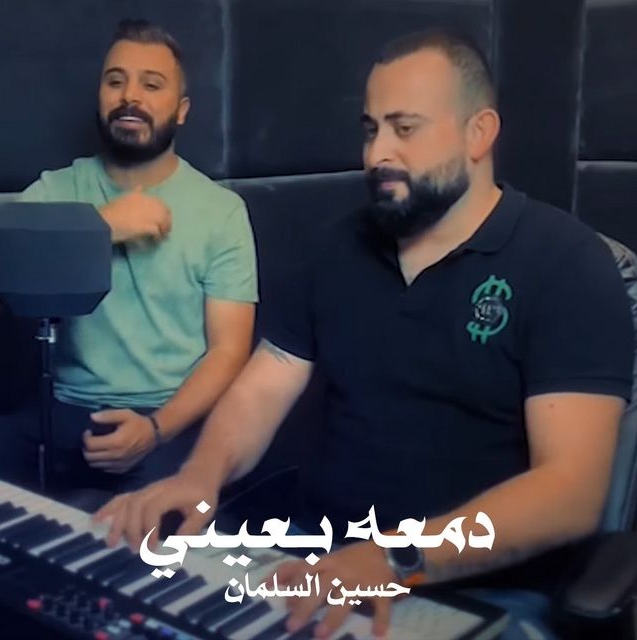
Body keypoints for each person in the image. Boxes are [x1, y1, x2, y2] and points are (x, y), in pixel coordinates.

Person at [95, 30, 634, 638]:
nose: (378, 152)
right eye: (371, 129)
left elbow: (570, 491)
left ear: (478, 133)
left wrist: (392, 560)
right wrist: (201, 477)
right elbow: (263, 386)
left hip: (485, 592)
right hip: (317, 556)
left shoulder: (566, 264)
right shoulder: (336, 246)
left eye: (405, 129)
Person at [0, 20, 257, 494]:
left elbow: (229, 350)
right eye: (115, 81)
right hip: (60, 407)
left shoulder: (222, 212)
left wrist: (156, 430)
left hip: (167, 415)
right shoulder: (57, 190)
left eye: (151, 85)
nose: (129, 96)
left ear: (181, 111)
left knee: (130, 526)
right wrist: (101, 228)